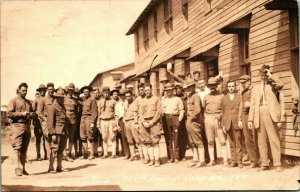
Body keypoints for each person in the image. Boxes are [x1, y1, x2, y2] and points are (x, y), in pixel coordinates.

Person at [248, 64, 285, 172]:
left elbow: (281, 84)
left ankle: (277, 163)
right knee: (261, 140)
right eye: (262, 74)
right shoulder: (255, 88)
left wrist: (271, 76)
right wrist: (250, 119)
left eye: (265, 74)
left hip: (270, 113)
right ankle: (264, 163)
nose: (263, 76)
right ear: (259, 75)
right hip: (259, 113)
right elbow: (252, 104)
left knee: (274, 139)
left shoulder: (273, 85)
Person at [7, 83, 35, 176]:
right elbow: (9, 114)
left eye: (26, 90)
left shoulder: (28, 102)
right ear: (18, 90)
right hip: (17, 126)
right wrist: (21, 114)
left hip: (26, 127)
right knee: (17, 148)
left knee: (24, 149)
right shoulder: (13, 101)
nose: (25, 92)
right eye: (23, 90)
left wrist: (31, 114)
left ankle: (23, 169)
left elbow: (32, 113)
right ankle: (17, 168)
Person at [203, 77, 228, 166]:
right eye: (210, 86)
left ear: (217, 86)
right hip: (209, 118)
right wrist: (206, 118)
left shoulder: (222, 96)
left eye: (214, 85)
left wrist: (220, 115)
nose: (212, 87)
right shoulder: (206, 97)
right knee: (210, 140)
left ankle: (225, 160)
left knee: (222, 140)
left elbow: (225, 109)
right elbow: (203, 109)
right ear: (208, 87)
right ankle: (212, 160)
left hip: (218, 119)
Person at [183, 79, 205, 168]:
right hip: (189, 120)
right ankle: (195, 159)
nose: (188, 89)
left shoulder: (196, 96)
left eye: (190, 87)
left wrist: (191, 119)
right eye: (187, 88)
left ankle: (202, 160)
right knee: (192, 142)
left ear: (193, 87)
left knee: (197, 140)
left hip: (194, 121)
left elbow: (198, 110)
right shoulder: (190, 96)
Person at [238, 75, 259, 168]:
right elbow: (241, 106)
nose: (243, 84)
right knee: (247, 139)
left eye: (244, 82)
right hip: (245, 116)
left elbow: (258, 101)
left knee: (257, 138)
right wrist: (239, 119)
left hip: (255, 115)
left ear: (249, 81)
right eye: (241, 83)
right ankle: (253, 160)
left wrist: (250, 104)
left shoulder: (255, 89)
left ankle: (262, 160)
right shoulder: (243, 91)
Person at [139, 83, 162, 167]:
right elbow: (140, 113)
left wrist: (152, 121)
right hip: (144, 123)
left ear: (151, 90)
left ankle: (157, 160)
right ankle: (151, 159)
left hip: (154, 122)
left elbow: (159, 112)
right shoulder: (142, 101)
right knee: (148, 142)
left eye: (148, 90)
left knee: (155, 141)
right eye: (145, 90)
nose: (147, 92)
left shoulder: (156, 99)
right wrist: (143, 122)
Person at [47, 87, 69, 173]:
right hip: (56, 132)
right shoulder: (53, 107)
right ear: (57, 98)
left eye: (63, 97)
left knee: (61, 149)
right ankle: (51, 167)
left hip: (63, 131)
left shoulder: (62, 106)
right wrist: (52, 134)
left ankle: (59, 166)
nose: (62, 99)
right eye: (60, 97)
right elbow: (50, 122)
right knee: (54, 149)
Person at [162, 83, 185, 164]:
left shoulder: (177, 99)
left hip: (175, 118)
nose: (168, 92)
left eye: (170, 90)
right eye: (167, 90)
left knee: (176, 138)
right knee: (168, 138)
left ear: (173, 90)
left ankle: (177, 157)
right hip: (166, 119)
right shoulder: (163, 100)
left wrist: (179, 119)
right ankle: (170, 156)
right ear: (165, 91)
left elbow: (182, 110)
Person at [222, 80, 243, 168]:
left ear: (235, 87)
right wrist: (223, 124)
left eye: (232, 86)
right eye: (229, 86)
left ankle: (239, 161)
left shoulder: (239, 97)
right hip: (228, 123)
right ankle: (233, 161)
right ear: (227, 87)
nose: (231, 88)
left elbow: (241, 109)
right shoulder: (224, 98)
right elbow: (223, 112)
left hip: (236, 122)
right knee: (231, 143)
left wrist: (240, 120)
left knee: (238, 142)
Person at [37, 83, 56, 162]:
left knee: (55, 139)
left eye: (52, 89)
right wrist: (45, 119)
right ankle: (49, 156)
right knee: (48, 138)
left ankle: (54, 156)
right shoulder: (43, 100)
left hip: (55, 122)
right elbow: (39, 112)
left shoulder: (56, 99)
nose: (51, 91)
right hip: (46, 122)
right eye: (49, 89)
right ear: (47, 90)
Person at [79, 85, 98, 160]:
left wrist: (93, 122)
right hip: (83, 118)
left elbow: (95, 111)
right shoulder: (83, 99)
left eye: (86, 91)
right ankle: (85, 154)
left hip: (89, 118)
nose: (85, 93)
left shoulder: (92, 99)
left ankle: (92, 154)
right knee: (83, 136)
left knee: (90, 136)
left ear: (89, 92)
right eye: (84, 92)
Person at [123, 90, 143, 161]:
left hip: (133, 122)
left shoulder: (136, 103)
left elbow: (138, 113)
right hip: (127, 122)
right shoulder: (125, 104)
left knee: (137, 140)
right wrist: (125, 121)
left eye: (129, 96)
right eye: (126, 96)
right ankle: (133, 155)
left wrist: (136, 123)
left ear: (131, 96)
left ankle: (141, 156)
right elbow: (124, 114)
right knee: (130, 140)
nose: (128, 98)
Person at [99, 86, 118, 159]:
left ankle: (113, 153)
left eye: (107, 93)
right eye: (104, 93)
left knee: (113, 137)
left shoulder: (113, 101)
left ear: (109, 93)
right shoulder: (100, 101)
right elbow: (99, 112)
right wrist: (98, 123)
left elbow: (116, 113)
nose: (106, 94)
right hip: (103, 121)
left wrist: (115, 124)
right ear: (103, 93)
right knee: (104, 138)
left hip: (111, 120)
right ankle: (105, 153)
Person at [32, 84, 47, 161]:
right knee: (38, 138)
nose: (43, 91)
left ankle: (46, 154)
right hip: (38, 122)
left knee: (46, 138)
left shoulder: (47, 99)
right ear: (39, 91)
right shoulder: (36, 100)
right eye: (41, 90)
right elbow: (33, 111)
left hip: (45, 121)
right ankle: (38, 155)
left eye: (44, 90)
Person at [63, 83, 78, 161]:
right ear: (67, 90)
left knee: (71, 137)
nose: (70, 92)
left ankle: (69, 153)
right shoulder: (64, 99)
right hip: (66, 119)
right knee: (65, 137)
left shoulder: (75, 100)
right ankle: (65, 154)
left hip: (73, 119)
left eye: (72, 90)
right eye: (69, 90)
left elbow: (76, 110)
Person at [174, 82, 188, 161]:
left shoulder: (185, 97)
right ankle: (177, 155)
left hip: (184, 119)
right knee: (176, 137)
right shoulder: (174, 97)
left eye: (179, 88)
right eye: (176, 89)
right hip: (176, 118)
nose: (178, 90)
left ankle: (183, 155)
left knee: (184, 137)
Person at [133, 83, 147, 163]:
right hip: (140, 122)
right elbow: (135, 112)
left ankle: (152, 157)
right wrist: (136, 123)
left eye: (143, 89)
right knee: (141, 140)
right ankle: (142, 156)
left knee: (149, 139)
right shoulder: (137, 100)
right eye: (140, 90)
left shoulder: (148, 98)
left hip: (148, 121)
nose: (142, 91)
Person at [115, 89, 130, 159]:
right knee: (123, 137)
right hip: (121, 120)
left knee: (130, 136)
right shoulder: (117, 104)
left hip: (129, 119)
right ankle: (126, 153)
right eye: (121, 95)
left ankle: (132, 153)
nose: (122, 97)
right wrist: (117, 125)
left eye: (123, 95)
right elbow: (117, 115)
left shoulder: (128, 102)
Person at [93, 87, 103, 157]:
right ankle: (95, 152)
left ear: (99, 93)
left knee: (102, 136)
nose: (96, 94)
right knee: (95, 137)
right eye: (94, 93)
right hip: (94, 121)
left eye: (97, 93)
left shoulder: (101, 101)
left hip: (101, 120)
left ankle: (103, 151)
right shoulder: (92, 101)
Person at [73, 88, 83, 157]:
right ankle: (76, 151)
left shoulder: (82, 101)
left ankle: (80, 151)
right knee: (74, 137)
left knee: (81, 136)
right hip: (74, 121)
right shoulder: (72, 101)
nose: (76, 95)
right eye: (75, 94)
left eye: (78, 94)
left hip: (80, 120)